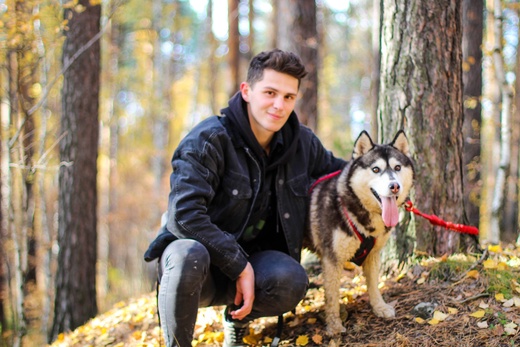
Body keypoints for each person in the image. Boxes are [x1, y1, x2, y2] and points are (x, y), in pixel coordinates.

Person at [144, 49, 346, 347]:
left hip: (256, 267)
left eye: (289, 97)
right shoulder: (209, 140)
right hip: (197, 268)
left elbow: (345, 174)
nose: (279, 105)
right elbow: (182, 216)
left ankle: (236, 322)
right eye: (270, 93)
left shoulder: (302, 143)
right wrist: (238, 264)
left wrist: (389, 179)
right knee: (188, 254)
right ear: (247, 91)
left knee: (291, 279)